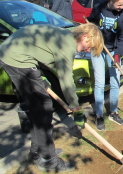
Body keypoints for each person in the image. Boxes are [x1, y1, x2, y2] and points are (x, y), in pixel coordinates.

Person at [0, 23, 103, 172]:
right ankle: (48, 160)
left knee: (39, 109)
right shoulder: (67, 45)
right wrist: (76, 107)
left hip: (17, 55)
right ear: (85, 37)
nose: (89, 50)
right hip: (17, 59)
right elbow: (66, 80)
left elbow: (44, 54)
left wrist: (38, 76)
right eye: (90, 46)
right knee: (43, 108)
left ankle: (38, 153)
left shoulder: (64, 37)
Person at [87, 0, 123, 131]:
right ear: (111, 1)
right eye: (119, 5)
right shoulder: (99, 8)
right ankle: (99, 115)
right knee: (99, 82)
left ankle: (113, 112)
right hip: (98, 49)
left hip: (113, 51)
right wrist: (92, 33)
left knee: (115, 81)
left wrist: (117, 55)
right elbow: (90, 23)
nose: (122, 7)